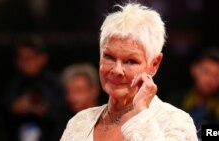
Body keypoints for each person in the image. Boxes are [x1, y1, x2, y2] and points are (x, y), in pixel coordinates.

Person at [60, 3, 198, 141]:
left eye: (131, 61)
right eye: (109, 57)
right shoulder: (78, 123)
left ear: (154, 64)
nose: (117, 70)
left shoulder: (176, 123)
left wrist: (142, 113)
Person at [163, 47, 219, 139]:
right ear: (194, 69)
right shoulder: (174, 101)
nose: (210, 80)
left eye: (217, 75)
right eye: (206, 72)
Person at [2, 36, 66, 141]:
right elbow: (2, 115)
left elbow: (63, 114)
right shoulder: (11, 86)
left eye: (29, 58)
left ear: (42, 58)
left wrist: (44, 110)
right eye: (21, 58)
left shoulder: (54, 84)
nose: (25, 62)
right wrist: (13, 109)